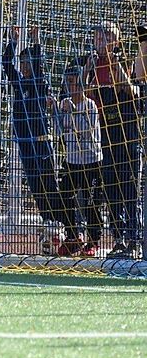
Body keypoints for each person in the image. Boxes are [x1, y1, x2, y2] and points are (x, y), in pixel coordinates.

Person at [2, 25, 67, 254]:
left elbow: (39, 65)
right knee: (36, 188)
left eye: (28, 63)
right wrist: (13, 41)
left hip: (42, 143)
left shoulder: (39, 83)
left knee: (50, 185)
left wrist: (35, 39)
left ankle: (60, 224)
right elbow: (6, 65)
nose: (25, 66)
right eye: (23, 63)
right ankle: (48, 225)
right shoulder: (19, 84)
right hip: (25, 145)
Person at [80, 21, 142, 259]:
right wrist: (86, 72)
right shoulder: (92, 63)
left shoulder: (127, 61)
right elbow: (82, 95)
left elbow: (136, 94)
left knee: (130, 190)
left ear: (116, 40)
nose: (101, 43)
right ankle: (118, 239)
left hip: (127, 134)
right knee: (111, 190)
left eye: (106, 38)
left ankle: (134, 241)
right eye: (97, 38)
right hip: (104, 135)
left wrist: (119, 72)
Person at [53, 67, 106, 257]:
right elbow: (59, 132)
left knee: (92, 202)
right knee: (65, 197)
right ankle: (74, 236)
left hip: (91, 161)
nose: (69, 86)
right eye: (67, 82)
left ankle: (93, 241)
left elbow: (86, 132)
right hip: (72, 161)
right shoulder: (64, 104)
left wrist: (72, 112)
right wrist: (55, 112)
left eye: (73, 82)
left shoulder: (90, 105)